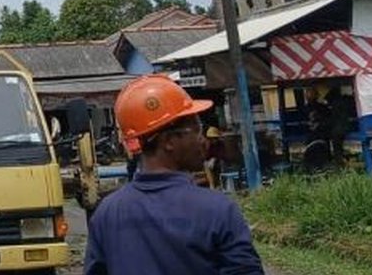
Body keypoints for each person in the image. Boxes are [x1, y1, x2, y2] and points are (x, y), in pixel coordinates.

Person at [85, 75, 264, 275]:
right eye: (196, 130)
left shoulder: (107, 214)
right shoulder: (217, 209)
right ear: (169, 141)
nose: (202, 140)